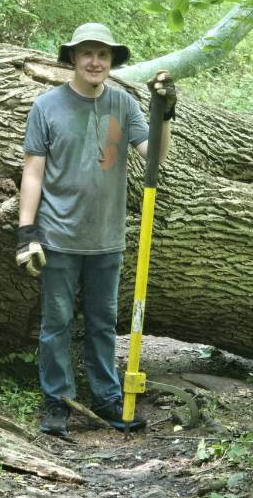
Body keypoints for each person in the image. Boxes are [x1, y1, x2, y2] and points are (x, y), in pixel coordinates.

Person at [16, 23, 177, 437]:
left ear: (111, 62)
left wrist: (166, 113)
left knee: (104, 323)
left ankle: (107, 399)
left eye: (102, 55)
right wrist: (26, 230)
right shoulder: (46, 106)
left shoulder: (123, 105)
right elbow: (33, 173)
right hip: (57, 236)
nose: (94, 61)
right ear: (72, 58)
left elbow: (156, 155)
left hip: (107, 238)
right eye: (87, 53)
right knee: (57, 323)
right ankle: (58, 403)